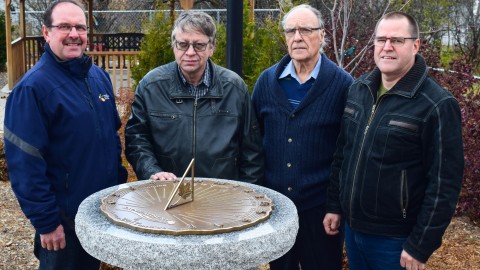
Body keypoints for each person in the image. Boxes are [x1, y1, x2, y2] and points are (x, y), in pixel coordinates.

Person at [323, 11, 464, 270]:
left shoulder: (436, 105)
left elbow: (445, 186)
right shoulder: (358, 90)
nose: (387, 47)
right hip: (353, 232)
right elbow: (343, 153)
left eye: (397, 40)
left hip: (396, 242)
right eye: (381, 40)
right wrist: (334, 204)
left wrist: (421, 245)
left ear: (416, 45)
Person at [3, 0, 128, 269]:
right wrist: (47, 222)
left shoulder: (98, 77)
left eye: (80, 27)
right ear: (47, 33)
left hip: (100, 209)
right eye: (64, 26)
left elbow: (110, 138)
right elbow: (25, 164)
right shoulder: (32, 89)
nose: (74, 34)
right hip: (64, 221)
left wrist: (117, 190)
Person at [251, 4, 353, 270]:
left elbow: (347, 151)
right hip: (276, 209)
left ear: (322, 34)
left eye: (306, 30)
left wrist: (335, 205)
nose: (298, 37)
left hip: (321, 211)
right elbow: (253, 143)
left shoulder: (343, 85)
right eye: (291, 31)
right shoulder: (267, 82)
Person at [125, 11, 263, 184]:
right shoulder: (151, 86)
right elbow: (137, 140)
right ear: (174, 46)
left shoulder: (234, 88)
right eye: (183, 44)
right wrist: (151, 171)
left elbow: (252, 153)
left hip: (223, 197)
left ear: (211, 47)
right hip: (166, 193)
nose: (190, 52)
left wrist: (246, 196)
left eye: (198, 45)